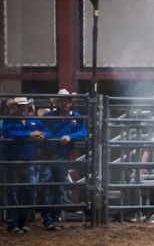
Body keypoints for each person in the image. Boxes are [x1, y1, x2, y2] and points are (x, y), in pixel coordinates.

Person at [40, 89, 88, 230]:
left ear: (70, 102)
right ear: (57, 103)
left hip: (61, 157)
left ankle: (54, 218)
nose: (64, 103)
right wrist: (47, 135)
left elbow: (84, 131)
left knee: (58, 188)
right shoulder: (49, 116)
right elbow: (41, 126)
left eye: (66, 100)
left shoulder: (76, 117)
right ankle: (48, 219)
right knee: (48, 187)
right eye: (61, 100)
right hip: (48, 156)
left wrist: (70, 136)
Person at [3, 97, 50, 234]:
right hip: (12, 160)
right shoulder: (8, 120)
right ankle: (13, 223)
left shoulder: (33, 120)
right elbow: (9, 133)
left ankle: (20, 222)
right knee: (13, 192)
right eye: (19, 106)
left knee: (30, 190)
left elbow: (48, 131)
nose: (22, 109)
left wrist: (42, 134)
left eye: (24, 106)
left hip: (28, 160)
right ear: (15, 107)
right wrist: (29, 134)